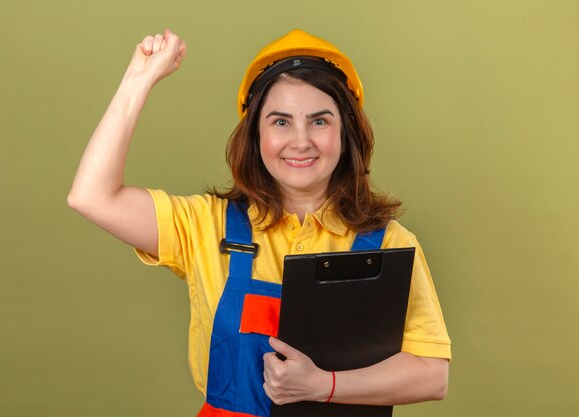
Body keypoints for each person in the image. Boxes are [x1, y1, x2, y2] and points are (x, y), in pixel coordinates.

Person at [68, 28, 451, 417]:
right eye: (280, 122)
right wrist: (140, 78)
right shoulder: (206, 225)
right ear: (255, 135)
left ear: (345, 133)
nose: (300, 141)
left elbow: (432, 376)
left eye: (319, 121)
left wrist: (325, 386)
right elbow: (91, 196)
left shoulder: (389, 244)